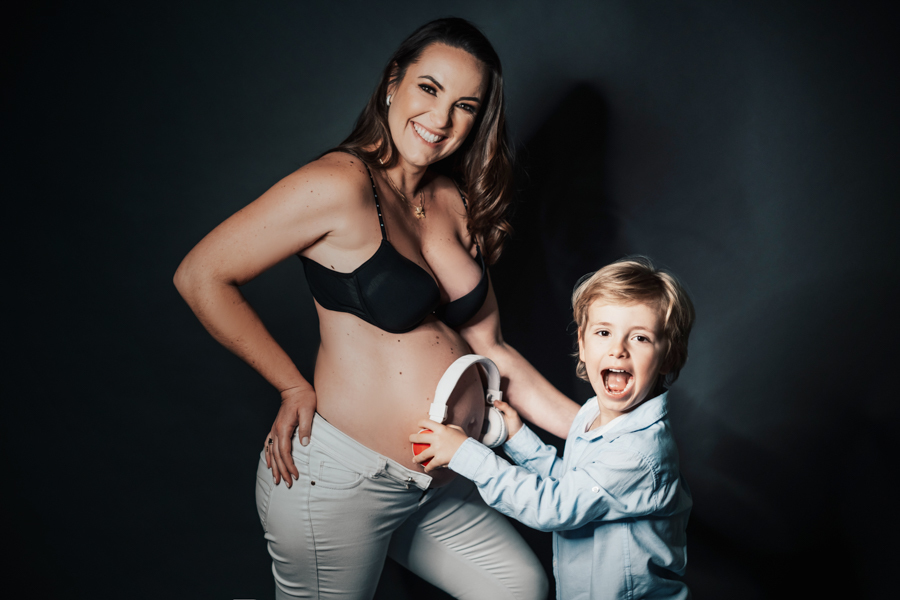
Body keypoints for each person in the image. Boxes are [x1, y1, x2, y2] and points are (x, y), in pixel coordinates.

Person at [174, 17, 580, 600]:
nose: (440, 119)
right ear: (394, 82)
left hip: (437, 480)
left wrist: (600, 432)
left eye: (465, 106)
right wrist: (291, 386)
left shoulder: (453, 201)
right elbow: (201, 275)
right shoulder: (339, 184)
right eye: (429, 88)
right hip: (341, 482)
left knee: (519, 588)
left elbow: (492, 349)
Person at [412, 257, 694, 600]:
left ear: (667, 358)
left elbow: (554, 506)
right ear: (583, 344)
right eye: (603, 333)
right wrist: (519, 440)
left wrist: (465, 455)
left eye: (640, 338)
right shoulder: (593, 413)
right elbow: (572, 483)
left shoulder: (637, 453)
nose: (618, 350)